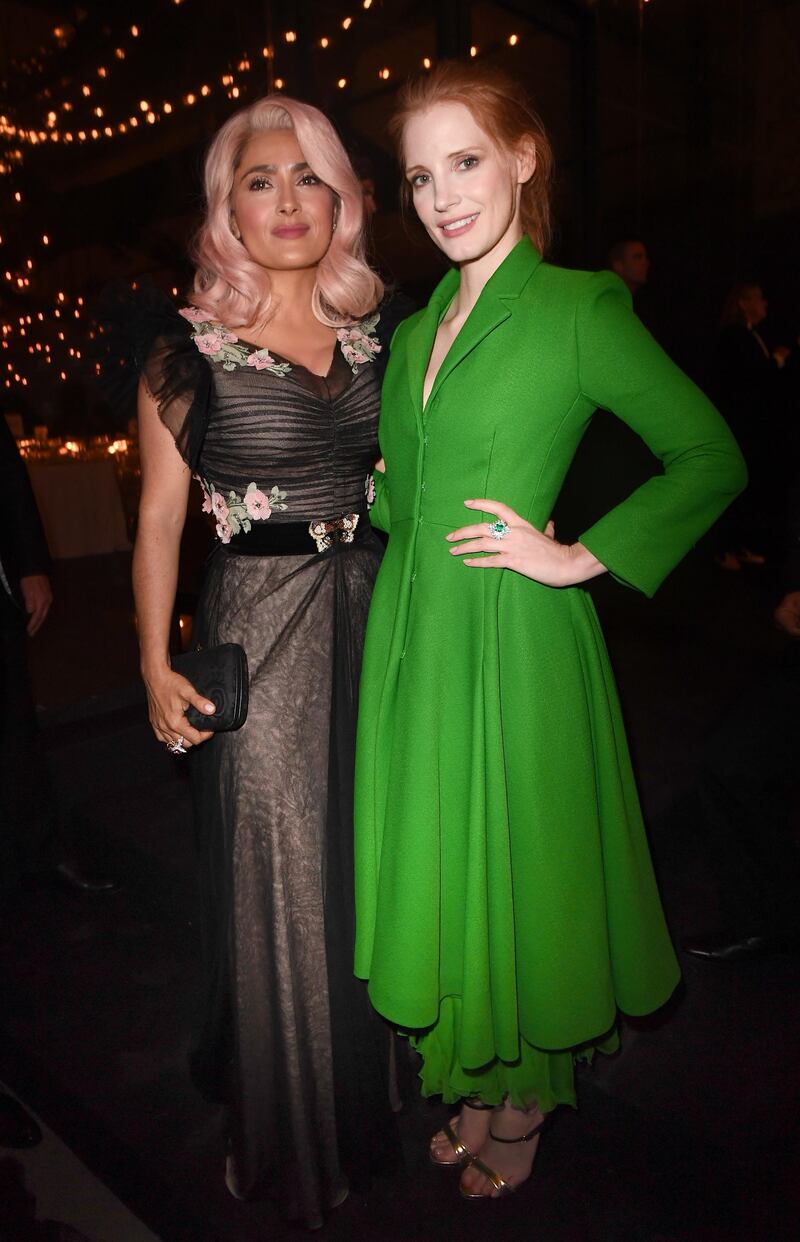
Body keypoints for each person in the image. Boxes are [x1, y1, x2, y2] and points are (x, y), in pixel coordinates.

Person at [354, 61, 747, 1201]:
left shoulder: (577, 307)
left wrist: (580, 553)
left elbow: (709, 456)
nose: (439, 197)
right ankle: (473, 1083)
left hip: (516, 638)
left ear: (523, 158)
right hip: (416, 637)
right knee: (452, 862)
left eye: (463, 161)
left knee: (516, 874)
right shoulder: (417, 320)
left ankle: (518, 1106)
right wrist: (373, 488)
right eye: (421, 175)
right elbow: (410, 494)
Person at [130, 95, 402, 1228]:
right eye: (259, 180)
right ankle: (289, 1136)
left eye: (308, 179)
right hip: (261, 630)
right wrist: (151, 665)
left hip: (383, 619)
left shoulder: (385, 332)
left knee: (373, 866)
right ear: (225, 208)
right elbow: (154, 524)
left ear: (340, 198)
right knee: (283, 884)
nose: (286, 201)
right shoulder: (184, 356)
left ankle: (373, 1097)